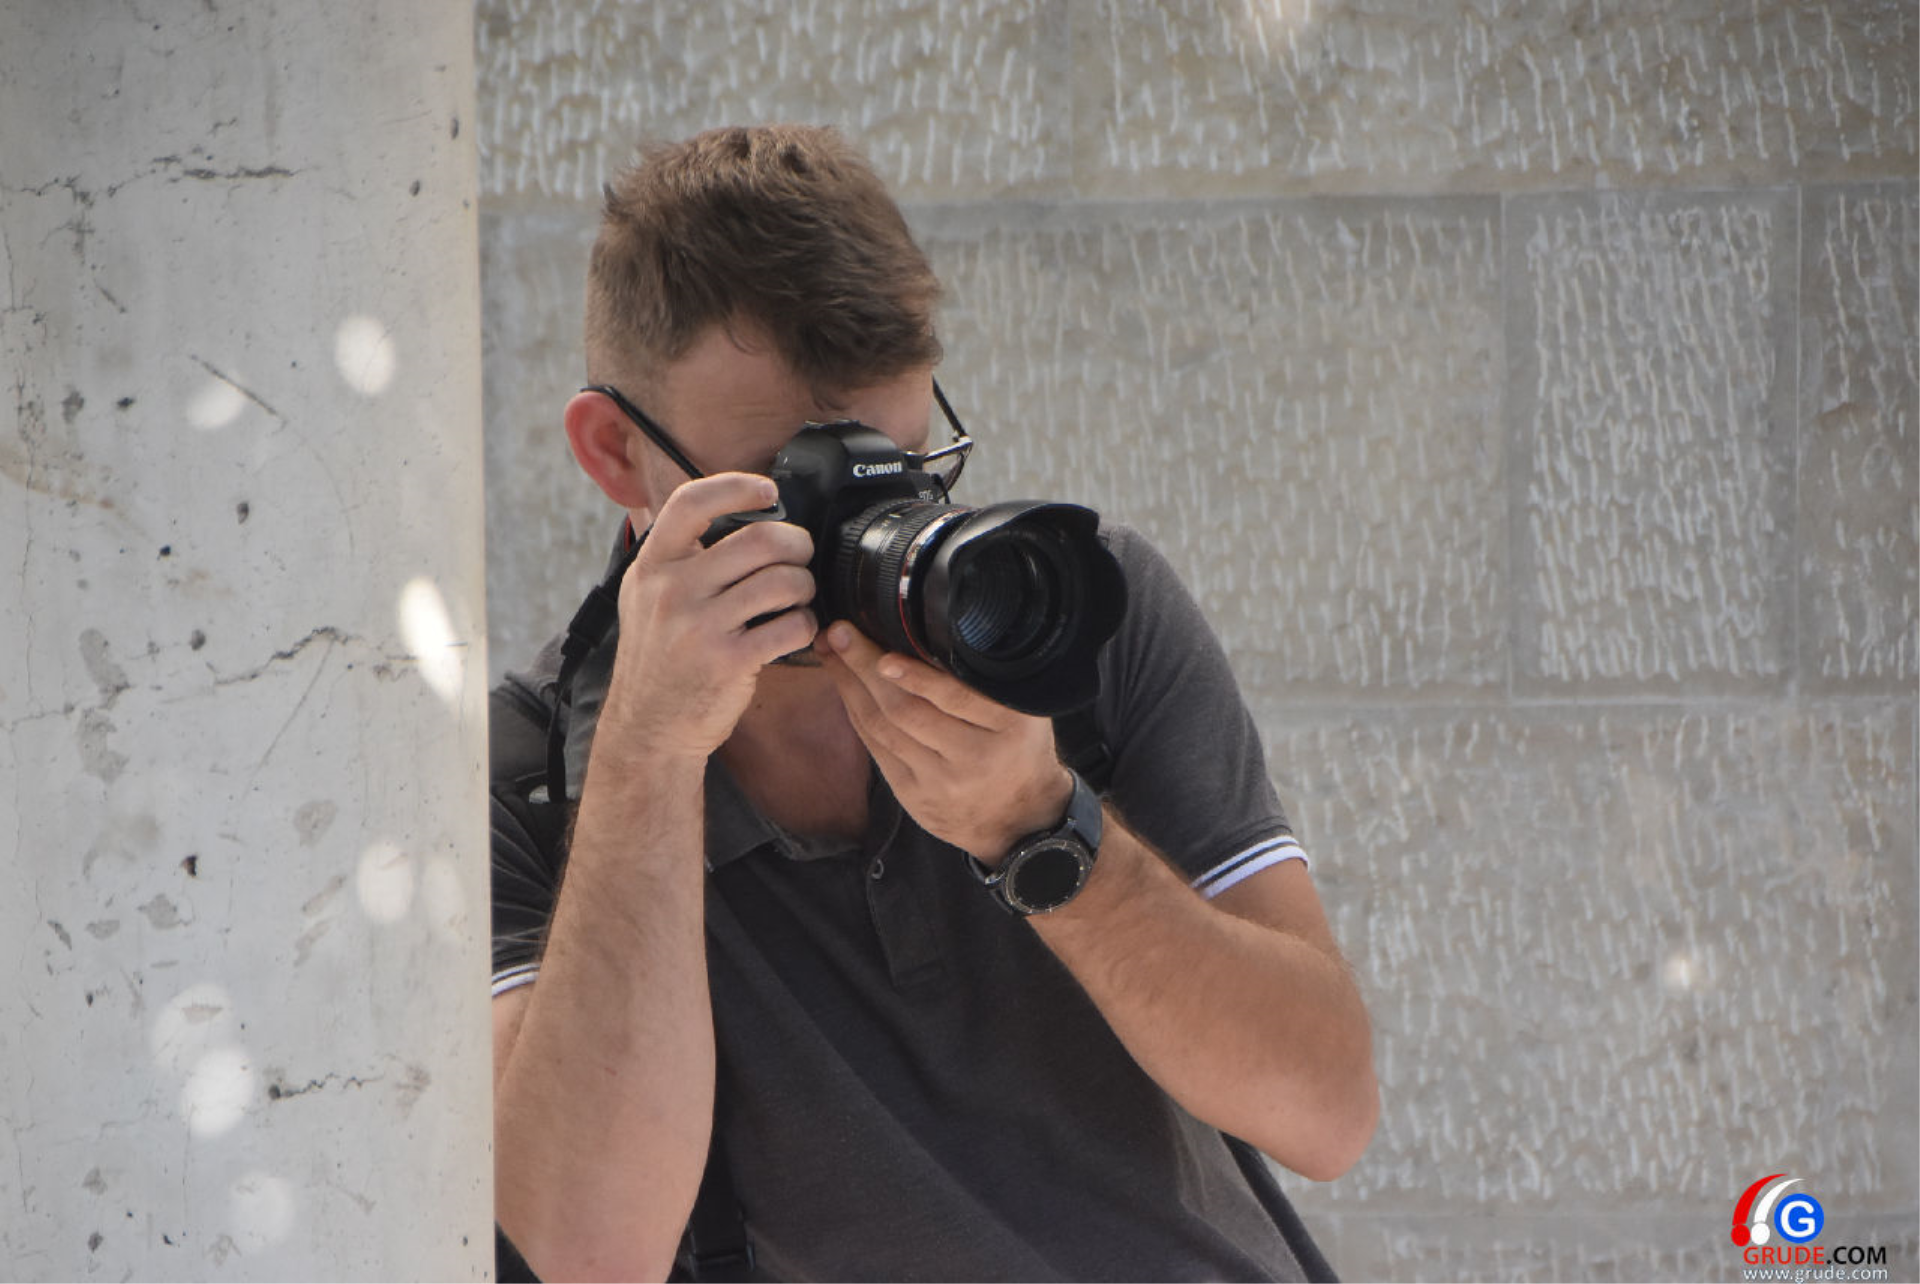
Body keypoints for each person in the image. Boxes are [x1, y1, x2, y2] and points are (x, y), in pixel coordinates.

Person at [489, 123, 1377, 1284]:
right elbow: (585, 1256)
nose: (865, 540)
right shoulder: (531, 775)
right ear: (616, 452)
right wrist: (646, 761)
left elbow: (1327, 1112)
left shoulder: (1065, 609)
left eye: (904, 476)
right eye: (799, 498)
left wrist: (1046, 835)